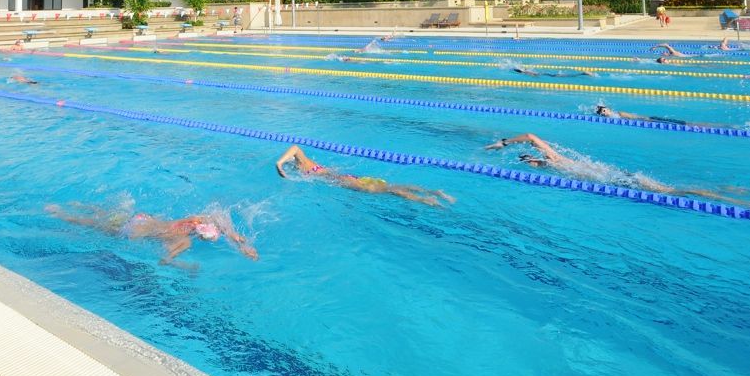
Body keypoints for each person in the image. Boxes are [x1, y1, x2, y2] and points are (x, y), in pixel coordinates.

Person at [484, 133, 750, 205]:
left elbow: (531, 136)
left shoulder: (553, 160)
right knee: (674, 191)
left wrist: (503, 143)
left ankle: (727, 197)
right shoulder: (551, 167)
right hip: (616, 179)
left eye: (528, 161)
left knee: (674, 191)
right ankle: (727, 190)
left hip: (619, 180)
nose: (531, 165)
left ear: (531, 159)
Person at [46, 204, 258, 265]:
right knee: (95, 226)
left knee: (106, 216)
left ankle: (81, 206)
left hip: (143, 218)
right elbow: (166, 258)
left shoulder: (196, 219)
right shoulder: (184, 240)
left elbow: (222, 224)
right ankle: (61, 214)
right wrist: (173, 259)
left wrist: (242, 244)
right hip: (136, 230)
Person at [275, 145, 454, 206]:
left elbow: (295, 147)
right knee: (390, 187)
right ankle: (434, 192)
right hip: (349, 178)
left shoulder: (304, 163)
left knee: (388, 190)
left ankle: (427, 200)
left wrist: (279, 164)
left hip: (347, 181)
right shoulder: (308, 166)